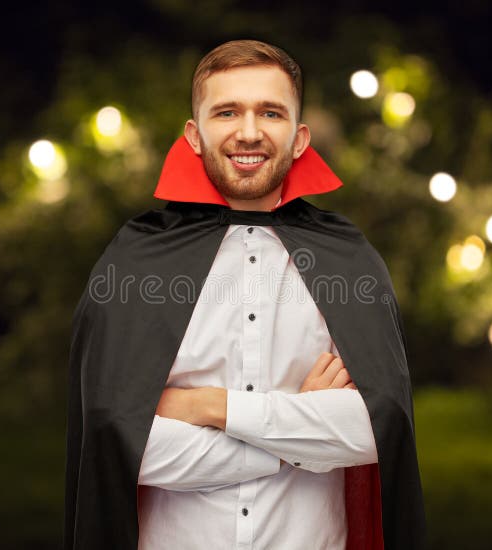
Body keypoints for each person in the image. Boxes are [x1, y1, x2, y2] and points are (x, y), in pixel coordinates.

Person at [64, 39, 425, 550]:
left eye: (271, 112)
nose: (249, 132)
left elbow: (374, 432)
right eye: (227, 111)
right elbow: (121, 445)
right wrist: (297, 433)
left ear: (300, 138)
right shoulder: (135, 261)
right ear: (194, 134)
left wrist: (207, 407)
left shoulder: (349, 261)